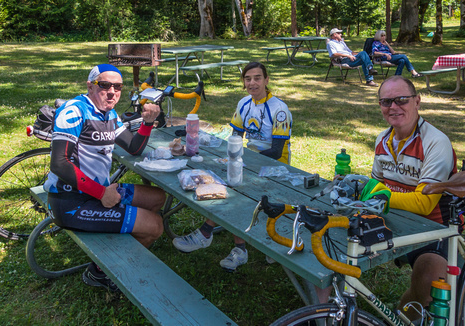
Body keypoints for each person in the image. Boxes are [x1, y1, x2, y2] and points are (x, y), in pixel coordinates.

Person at [45, 64, 166, 292]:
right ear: (90, 86)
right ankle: (100, 273)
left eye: (118, 86)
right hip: (70, 202)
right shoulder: (75, 110)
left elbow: (132, 147)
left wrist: (148, 122)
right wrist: (102, 193)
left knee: (157, 197)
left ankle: (120, 241)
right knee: (155, 226)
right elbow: (60, 164)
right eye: (105, 85)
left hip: (98, 192)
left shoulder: (109, 113)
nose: (112, 92)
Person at [172, 62, 292, 272]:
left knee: (236, 189)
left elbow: (276, 151)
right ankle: (232, 244)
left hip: (275, 167)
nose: (252, 82)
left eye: (257, 78)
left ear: (266, 80)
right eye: (248, 79)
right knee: (223, 179)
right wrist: (230, 157)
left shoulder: (279, 109)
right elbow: (236, 136)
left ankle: (210, 236)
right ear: (244, 82)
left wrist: (240, 158)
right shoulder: (244, 103)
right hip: (249, 160)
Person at [372, 75, 456, 320]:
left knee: (427, 283)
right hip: (394, 221)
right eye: (386, 101)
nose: (393, 107)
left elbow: (424, 203)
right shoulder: (382, 139)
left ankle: (405, 315)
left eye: (401, 100)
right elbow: (375, 183)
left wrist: (379, 194)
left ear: (417, 101)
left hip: (433, 227)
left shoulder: (436, 142)